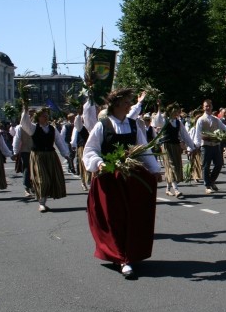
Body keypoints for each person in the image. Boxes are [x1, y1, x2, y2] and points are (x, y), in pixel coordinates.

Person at [83, 88, 161, 279]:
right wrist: (99, 163)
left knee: (132, 216)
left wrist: (155, 170)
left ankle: (129, 252)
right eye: (126, 102)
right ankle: (121, 258)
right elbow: (91, 149)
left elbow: (143, 150)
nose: (129, 105)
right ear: (117, 104)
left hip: (130, 179)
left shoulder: (133, 125)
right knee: (114, 217)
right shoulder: (103, 125)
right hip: (109, 179)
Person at [20, 106, 69, 212]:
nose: (46, 117)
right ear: (38, 117)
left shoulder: (52, 128)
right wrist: (25, 110)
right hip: (38, 156)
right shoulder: (33, 128)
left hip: (51, 156)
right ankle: (41, 204)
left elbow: (59, 141)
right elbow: (24, 123)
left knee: (51, 179)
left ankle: (44, 202)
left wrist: (65, 153)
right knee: (43, 180)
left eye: (47, 115)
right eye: (43, 116)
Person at [153, 102, 195, 199]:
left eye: (177, 111)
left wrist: (192, 147)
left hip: (175, 146)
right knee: (171, 165)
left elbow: (185, 135)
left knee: (175, 165)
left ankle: (168, 189)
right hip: (166, 146)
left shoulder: (178, 122)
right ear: (170, 111)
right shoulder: (164, 120)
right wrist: (159, 107)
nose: (177, 113)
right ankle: (176, 189)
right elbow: (157, 121)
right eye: (175, 110)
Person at [194, 99, 226, 194]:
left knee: (219, 164)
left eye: (209, 106)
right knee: (206, 166)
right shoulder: (200, 120)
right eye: (206, 106)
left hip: (216, 145)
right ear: (203, 107)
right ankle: (207, 185)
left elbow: (225, 128)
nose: (208, 107)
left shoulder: (216, 119)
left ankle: (212, 181)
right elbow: (198, 134)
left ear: (212, 107)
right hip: (206, 146)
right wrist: (197, 145)